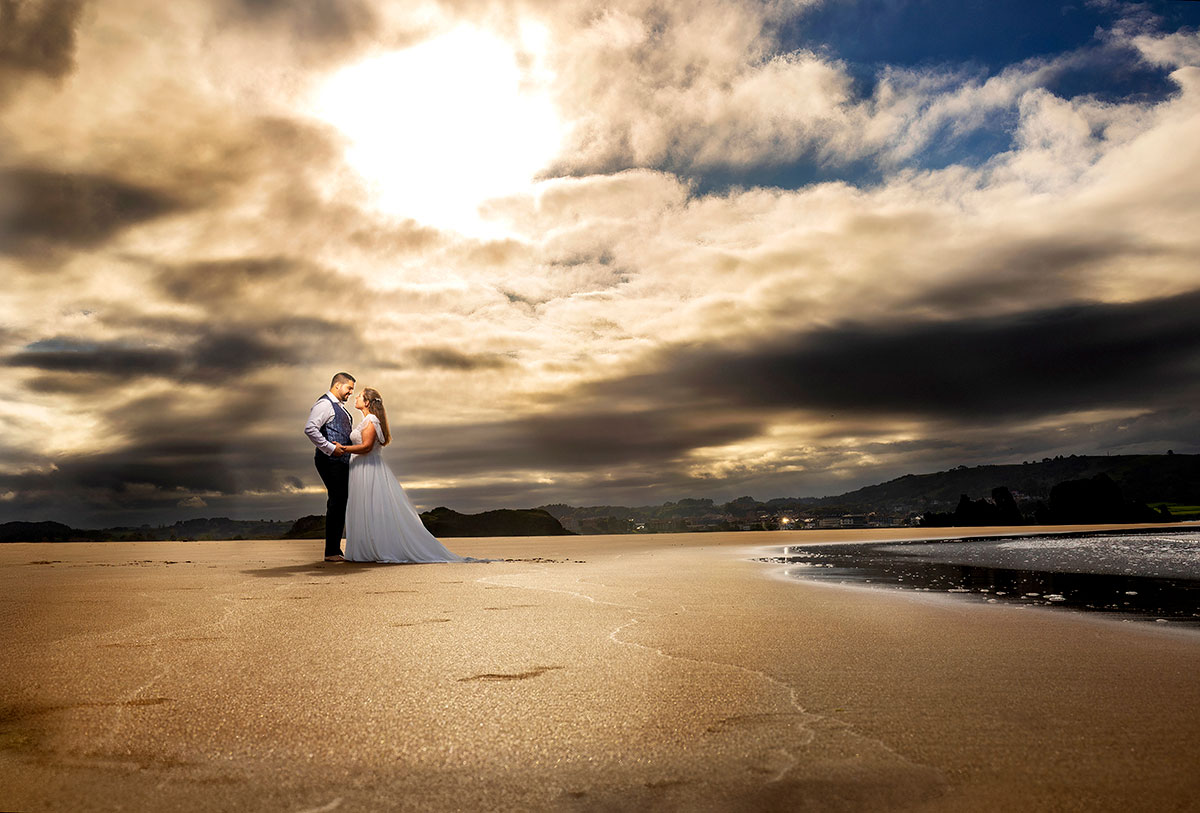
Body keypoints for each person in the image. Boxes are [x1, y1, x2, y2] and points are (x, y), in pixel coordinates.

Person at [334, 387, 475, 563]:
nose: (356, 398)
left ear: (367, 402)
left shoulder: (371, 420)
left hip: (367, 467)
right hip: (361, 468)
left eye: (360, 396)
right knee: (365, 507)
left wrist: (342, 449)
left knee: (371, 506)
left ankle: (374, 549)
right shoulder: (367, 420)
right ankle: (366, 549)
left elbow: (367, 447)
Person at [304, 372, 356, 562]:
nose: (351, 392)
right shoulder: (325, 404)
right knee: (337, 500)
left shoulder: (339, 407)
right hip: (330, 461)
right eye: (349, 388)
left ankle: (334, 550)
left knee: (340, 501)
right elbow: (310, 428)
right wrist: (330, 448)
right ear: (337, 385)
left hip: (340, 462)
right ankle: (332, 551)